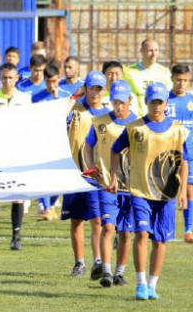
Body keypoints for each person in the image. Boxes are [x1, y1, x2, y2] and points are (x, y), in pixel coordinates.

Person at [108, 82, 191, 301]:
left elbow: (185, 161)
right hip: (140, 191)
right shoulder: (135, 128)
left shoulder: (178, 130)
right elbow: (115, 150)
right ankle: (141, 283)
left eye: (160, 102)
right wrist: (114, 176)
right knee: (142, 233)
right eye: (153, 101)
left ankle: (153, 285)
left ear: (166, 103)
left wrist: (183, 191)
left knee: (160, 240)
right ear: (146, 102)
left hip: (166, 194)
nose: (156, 106)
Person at [82, 80, 137, 288]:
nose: (119, 106)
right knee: (108, 227)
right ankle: (106, 270)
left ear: (130, 100)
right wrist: (90, 166)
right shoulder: (100, 122)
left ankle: (120, 273)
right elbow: (88, 145)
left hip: (132, 186)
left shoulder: (138, 124)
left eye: (122, 102)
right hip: (107, 184)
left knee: (126, 231)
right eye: (115, 102)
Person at [62, 70, 110, 279]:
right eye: (92, 88)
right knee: (76, 220)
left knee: (97, 219)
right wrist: (73, 97)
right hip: (74, 173)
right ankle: (79, 263)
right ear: (86, 88)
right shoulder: (76, 109)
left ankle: (98, 261)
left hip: (97, 175)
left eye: (99, 88)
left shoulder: (108, 115)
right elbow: (57, 118)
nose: (95, 93)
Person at [0, 62, 32, 250]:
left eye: (11, 78)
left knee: (18, 194)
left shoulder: (25, 99)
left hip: (18, 152)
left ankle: (16, 236)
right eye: (4, 77)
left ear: (17, 78)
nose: (7, 81)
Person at [166, 64, 193, 244]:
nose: (181, 83)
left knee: (190, 191)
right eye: (178, 80)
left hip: (189, 153)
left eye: (184, 80)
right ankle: (166, 229)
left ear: (189, 79)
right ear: (172, 79)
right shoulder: (164, 99)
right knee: (166, 193)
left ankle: (188, 231)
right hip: (167, 154)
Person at [32, 63, 68, 221]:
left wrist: (55, 97)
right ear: (44, 80)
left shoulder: (65, 95)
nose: (52, 84)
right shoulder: (36, 97)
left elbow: (67, 117)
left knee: (60, 179)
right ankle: (46, 208)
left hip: (61, 141)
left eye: (55, 81)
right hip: (43, 141)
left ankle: (52, 205)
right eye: (49, 81)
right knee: (44, 177)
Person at [123, 39, 173, 115]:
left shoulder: (165, 72)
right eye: (150, 50)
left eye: (156, 50)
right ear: (141, 51)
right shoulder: (128, 72)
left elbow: (170, 97)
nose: (154, 54)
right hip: (137, 120)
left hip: (158, 120)